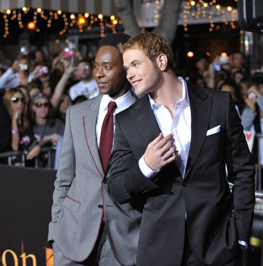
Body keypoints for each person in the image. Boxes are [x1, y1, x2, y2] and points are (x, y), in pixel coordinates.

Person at [107, 32, 255, 266]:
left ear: (161, 62)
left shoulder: (218, 104)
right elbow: (116, 188)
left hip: (218, 246)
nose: (130, 74)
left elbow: (243, 171)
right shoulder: (127, 120)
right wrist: (146, 166)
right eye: (127, 68)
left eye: (135, 64)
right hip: (159, 251)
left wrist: (240, 234)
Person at [48, 33, 141, 266]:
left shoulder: (148, 115)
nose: (98, 73)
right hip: (72, 237)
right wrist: (55, 230)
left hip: (125, 241)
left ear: (128, 68)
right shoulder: (76, 114)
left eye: (107, 67)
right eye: (96, 66)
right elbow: (64, 179)